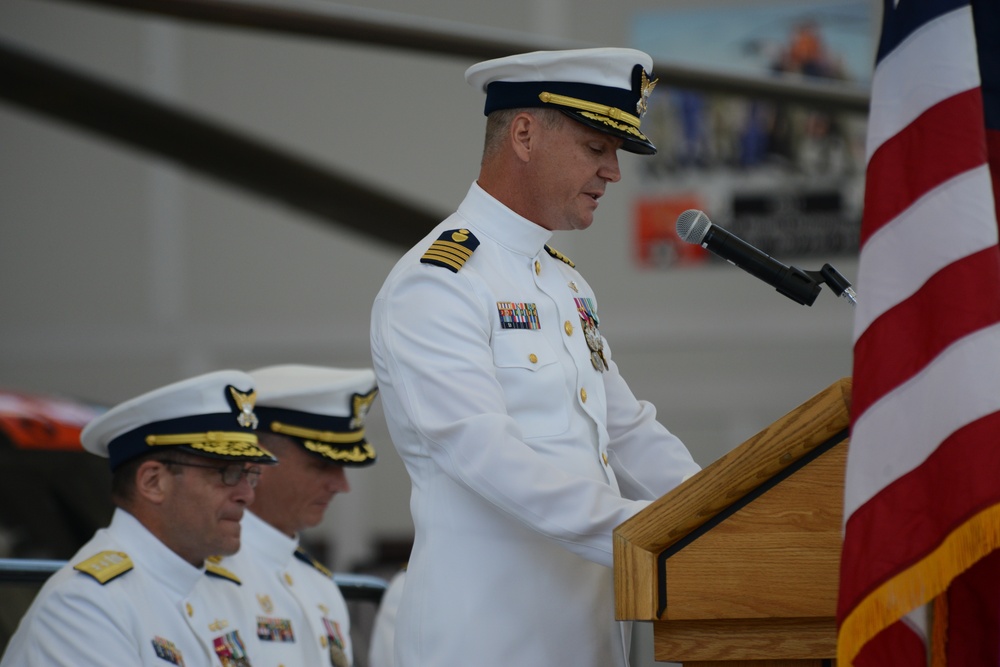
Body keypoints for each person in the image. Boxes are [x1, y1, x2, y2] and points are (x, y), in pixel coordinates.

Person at [369, 48, 701, 667]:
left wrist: (723, 515)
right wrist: (654, 535)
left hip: (593, 638)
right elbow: (492, 458)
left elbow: (628, 429)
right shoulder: (437, 282)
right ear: (524, 133)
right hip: (489, 642)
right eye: (596, 146)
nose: (614, 172)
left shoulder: (566, 283)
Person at [0, 370, 277, 667]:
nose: (247, 495)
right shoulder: (85, 605)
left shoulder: (222, 589)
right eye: (228, 473)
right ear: (153, 482)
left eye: (250, 475)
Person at [219, 364, 379, 667]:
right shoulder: (207, 574)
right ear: (258, 460)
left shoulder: (318, 584)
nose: (342, 486)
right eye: (320, 466)